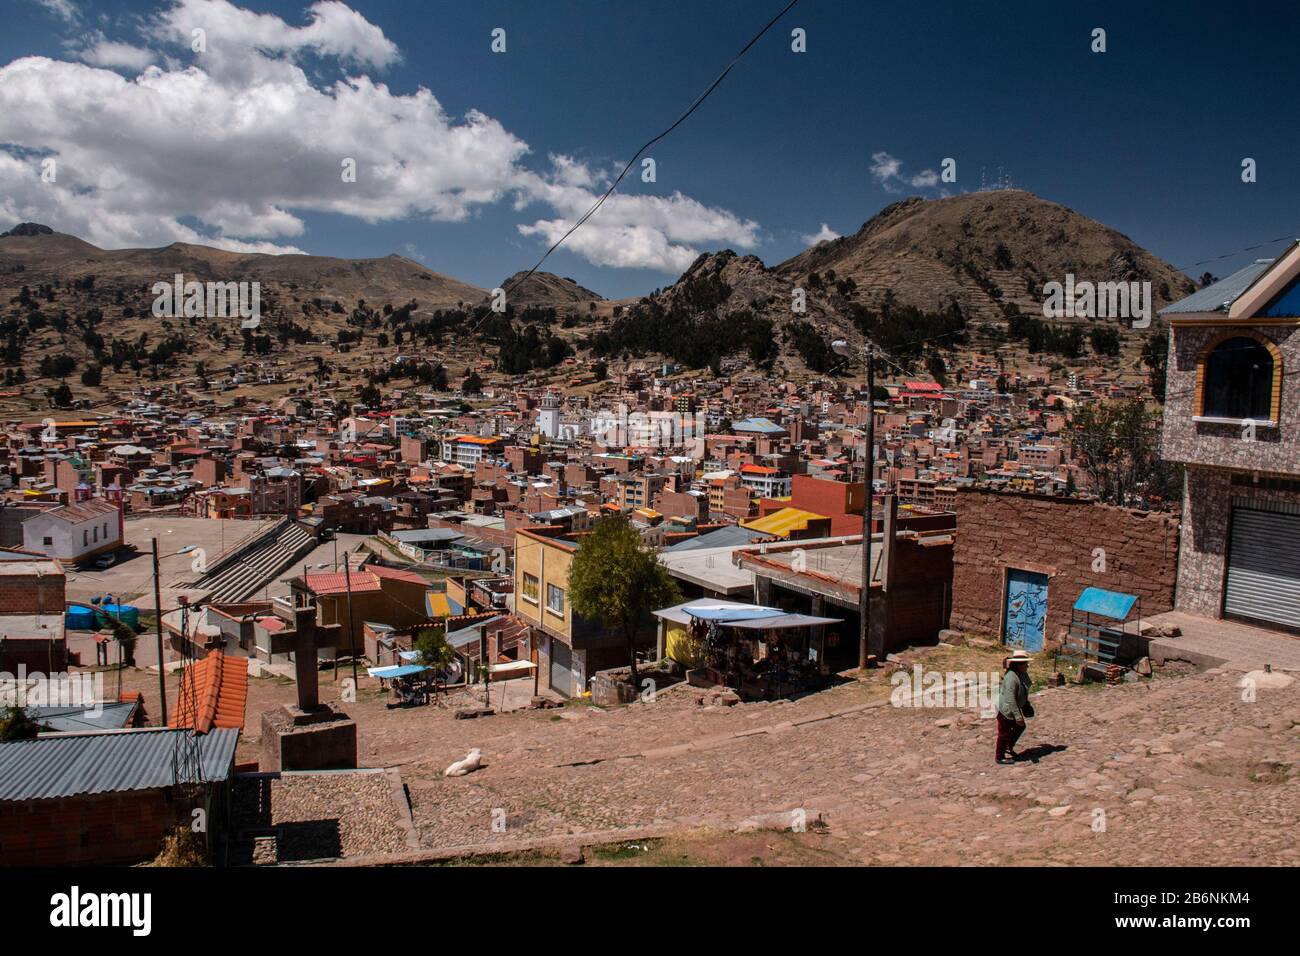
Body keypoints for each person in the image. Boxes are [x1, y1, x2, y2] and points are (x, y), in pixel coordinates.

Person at [996, 650, 1033, 764]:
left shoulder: (1021, 673)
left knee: (1020, 727)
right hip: (1006, 710)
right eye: (1025, 664)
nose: (1027, 665)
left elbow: (1028, 684)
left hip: (1015, 707)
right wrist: (1018, 716)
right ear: (1018, 665)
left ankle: (1008, 746)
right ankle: (1000, 756)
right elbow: (1010, 699)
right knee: (1004, 733)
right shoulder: (1011, 678)